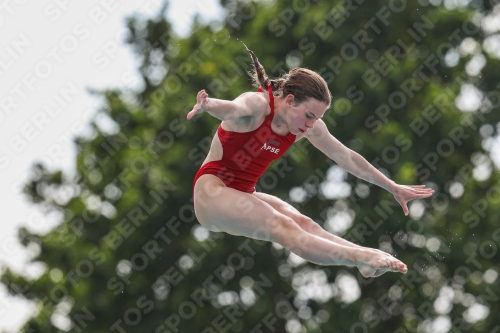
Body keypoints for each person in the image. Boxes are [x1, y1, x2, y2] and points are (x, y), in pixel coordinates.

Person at [187, 49, 434, 278]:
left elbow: (347, 157)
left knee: (305, 224)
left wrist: (393, 187)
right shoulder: (259, 105)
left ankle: (364, 260)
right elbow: (232, 108)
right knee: (281, 225)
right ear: (291, 100)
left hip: (243, 193)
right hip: (212, 192)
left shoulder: (306, 127)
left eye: (316, 118)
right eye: (309, 115)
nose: (310, 124)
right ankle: (362, 257)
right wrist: (208, 105)